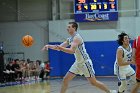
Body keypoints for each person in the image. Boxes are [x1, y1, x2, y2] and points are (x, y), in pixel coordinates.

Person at [42, 22, 116, 93]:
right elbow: (59, 47)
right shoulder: (70, 39)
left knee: (93, 82)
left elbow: (71, 51)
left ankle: (109, 91)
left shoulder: (77, 38)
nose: (67, 29)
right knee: (65, 79)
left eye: (69, 27)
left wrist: (60, 48)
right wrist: (48, 46)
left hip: (85, 63)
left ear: (74, 28)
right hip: (77, 63)